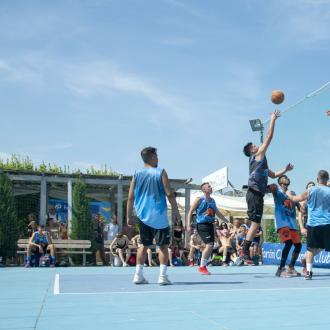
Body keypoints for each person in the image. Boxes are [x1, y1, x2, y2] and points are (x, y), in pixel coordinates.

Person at [240, 110, 294, 265]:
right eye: (254, 145)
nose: (257, 146)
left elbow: (274, 174)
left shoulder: (262, 162)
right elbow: (269, 137)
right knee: (255, 223)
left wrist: (285, 170)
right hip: (254, 193)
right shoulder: (257, 156)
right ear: (251, 151)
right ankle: (244, 249)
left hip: (257, 194)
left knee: (255, 222)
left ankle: (245, 248)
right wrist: (273, 119)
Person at [127, 147, 181, 285]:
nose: (158, 158)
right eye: (156, 156)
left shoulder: (136, 174)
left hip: (143, 216)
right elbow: (169, 193)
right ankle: (162, 276)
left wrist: (128, 216)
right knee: (163, 246)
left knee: (143, 245)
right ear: (152, 157)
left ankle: (138, 275)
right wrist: (176, 212)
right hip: (159, 216)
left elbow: (130, 197)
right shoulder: (161, 172)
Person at [288, 170, 330, 280]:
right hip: (327, 223)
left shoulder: (310, 190)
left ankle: (309, 272)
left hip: (313, 224)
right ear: (328, 180)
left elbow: (295, 199)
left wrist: (288, 193)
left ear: (317, 180)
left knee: (311, 249)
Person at [187, 182, 228, 275]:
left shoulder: (213, 201)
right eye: (208, 187)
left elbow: (217, 212)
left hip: (210, 224)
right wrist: (188, 224)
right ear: (204, 189)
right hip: (202, 224)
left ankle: (203, 265)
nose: (211, 187)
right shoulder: (199, 199)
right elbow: (190, 212)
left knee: (210, 246)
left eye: (210, 186)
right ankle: (202, 267)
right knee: (209, 245)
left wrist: (227, 221)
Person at [269, 175, 302, 277]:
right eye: (284, 177)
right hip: (282, 223)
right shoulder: (277, 192)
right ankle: (280, 269)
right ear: (280, 182)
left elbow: (300, 207)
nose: (286, 178)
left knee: (298, 245)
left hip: (292, 224)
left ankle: (291, 267)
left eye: (287, 177)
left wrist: (302, 208)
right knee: (288, 243)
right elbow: (270, 188)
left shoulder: (292, 194)